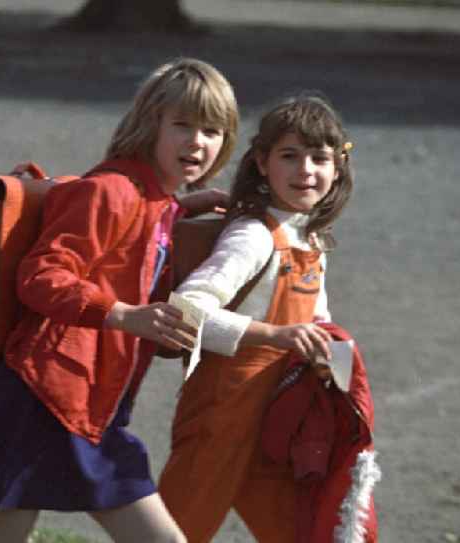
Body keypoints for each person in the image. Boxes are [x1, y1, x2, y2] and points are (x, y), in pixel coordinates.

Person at [0, 57, 239, 543]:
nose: (198, 141)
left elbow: (127, 238)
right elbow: (41, 276)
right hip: (38, 397)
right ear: (151, 126)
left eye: (212, 130)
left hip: (87, 405)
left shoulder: (153, 199)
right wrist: (124, 315)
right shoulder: (110, 192)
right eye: (183, 125)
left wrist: (179, 207)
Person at [159, 92, 362, 542]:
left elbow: (316, 321)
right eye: (290, 156)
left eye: (318, 158)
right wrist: (276, 334)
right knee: (178, 532)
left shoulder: (310, 238)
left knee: (300, 532)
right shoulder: (253, 236)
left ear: (338, 168)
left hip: (276, 421)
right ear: (262, 162)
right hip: (220, 412)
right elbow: (187, 311)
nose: (305, 170)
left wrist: (333, 364)